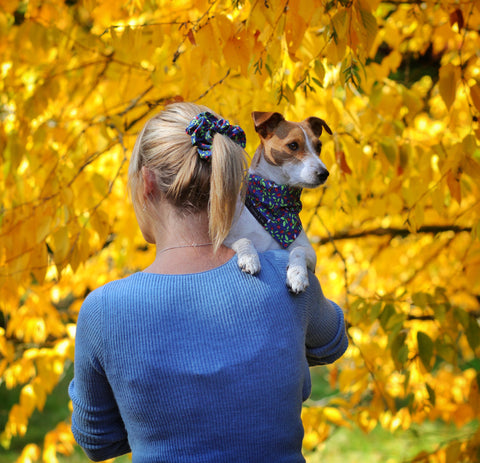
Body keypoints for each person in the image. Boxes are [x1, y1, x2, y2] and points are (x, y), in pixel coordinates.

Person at [69, 102, 348, 462]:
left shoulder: (103, 309)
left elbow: (97, 441)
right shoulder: (283, 274)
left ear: (147, 183)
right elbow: (332, 344)